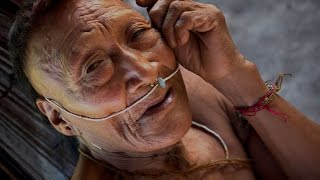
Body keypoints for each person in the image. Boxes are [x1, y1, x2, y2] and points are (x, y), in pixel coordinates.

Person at [8, 0, 320, 179]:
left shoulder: (195, 92)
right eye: (94, 67)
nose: (146, 70)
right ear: (59, 118)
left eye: (138, 34)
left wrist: (237, 76)